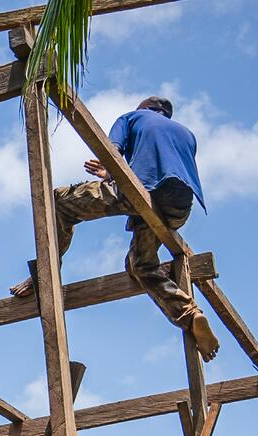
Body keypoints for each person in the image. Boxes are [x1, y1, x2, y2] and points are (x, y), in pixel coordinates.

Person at [11, 96, 220, 361]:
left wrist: (109, 168)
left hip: (142, 192)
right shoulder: (186, 134)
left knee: (58, 201)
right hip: (178, 207)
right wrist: (111, 175)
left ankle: (46, 271)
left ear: (143, 108)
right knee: (140, 266)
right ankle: (191, 316)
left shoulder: (132, 118)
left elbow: (112, 153)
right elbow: (161, 166)